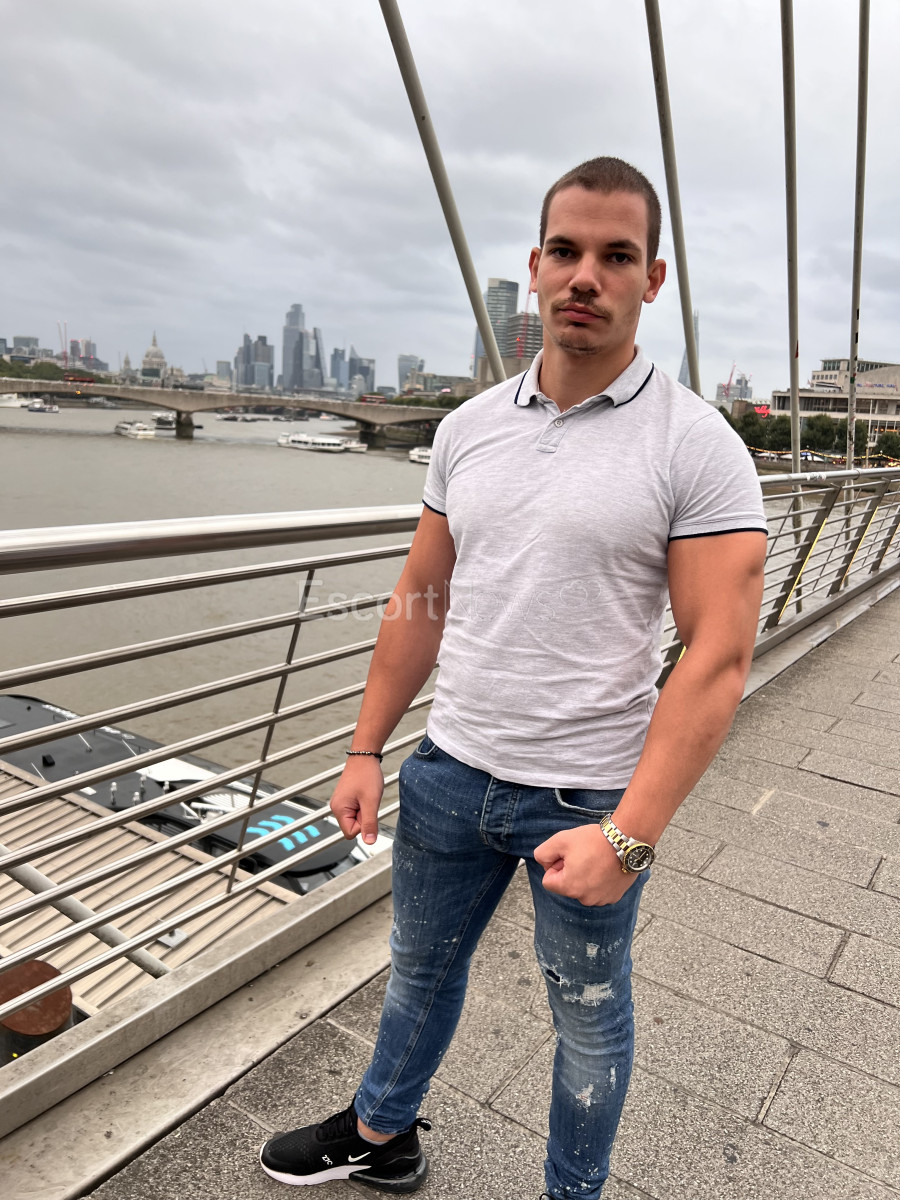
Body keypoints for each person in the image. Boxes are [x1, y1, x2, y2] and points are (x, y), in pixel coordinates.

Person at [259, 156, 768, 1198]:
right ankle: (381, 1133)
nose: (586, 276)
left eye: (616, 256)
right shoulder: (469, 428)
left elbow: (716, 655)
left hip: (586, 796)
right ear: (535, 266)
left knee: (588, 1016)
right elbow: (422, 594)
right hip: (450, 769)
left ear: (652, 279)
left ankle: (572, 1192)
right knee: (418, 974)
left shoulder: (697, 446)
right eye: (567, 251)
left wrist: (631, 835)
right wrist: (365, 748)